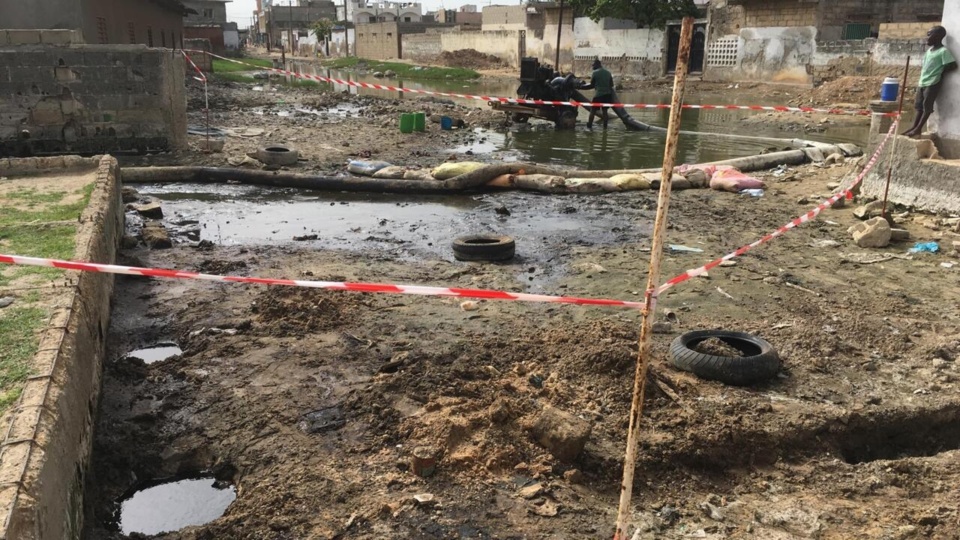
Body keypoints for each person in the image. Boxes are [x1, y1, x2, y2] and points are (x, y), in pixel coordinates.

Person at [904, 26, 957, 138]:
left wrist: (940, 72)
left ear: (937, 36)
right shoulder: (929, 51)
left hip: (933, 82)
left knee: (927, 106)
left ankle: (918, 129)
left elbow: (953, 65)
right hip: (923, 82)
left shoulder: (943, 51)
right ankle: (914, 127)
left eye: (929, 35)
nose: (927, 38)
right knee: (919, 106)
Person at [581, 59, 615, 129]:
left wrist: (581, 87)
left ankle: (589, 126)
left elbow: (591, 85)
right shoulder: (608, 73)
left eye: (593, 65)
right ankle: (605, 128)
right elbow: (611, 85)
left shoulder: (595, 73)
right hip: (607, 95)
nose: (592, 67)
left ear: (597, 65)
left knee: (592, 111)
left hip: (598, 95)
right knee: (605, 111)